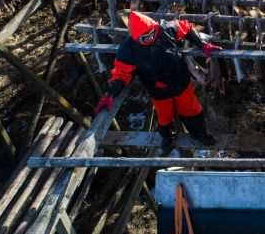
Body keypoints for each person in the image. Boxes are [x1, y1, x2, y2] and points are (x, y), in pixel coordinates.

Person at [94, 11, 222, 153]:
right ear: (136, 38)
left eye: (151, 33)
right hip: (158, 90)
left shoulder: (165, 29)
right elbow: (121, 74)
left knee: (192, 110)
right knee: (164, 116)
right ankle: (168, 137)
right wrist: (110, 94)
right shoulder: (127, 50)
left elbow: (186, 28)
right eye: (144, 37)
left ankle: (199, 134)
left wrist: (202, 44)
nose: (150, 38)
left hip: (181, 82)